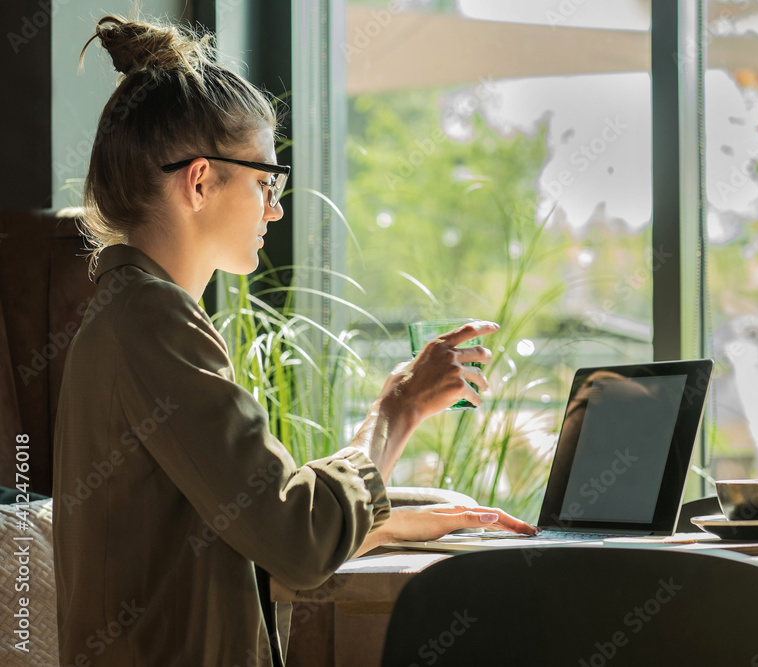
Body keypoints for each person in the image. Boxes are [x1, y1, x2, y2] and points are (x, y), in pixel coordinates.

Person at [53, 15, 536, 666]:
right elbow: (298, 539)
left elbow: (246, 521)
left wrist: (383, 516)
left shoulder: (130, 318)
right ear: (199, 181)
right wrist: (396, 408)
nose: (275, 209)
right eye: (265, 182)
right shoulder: (150, 324)